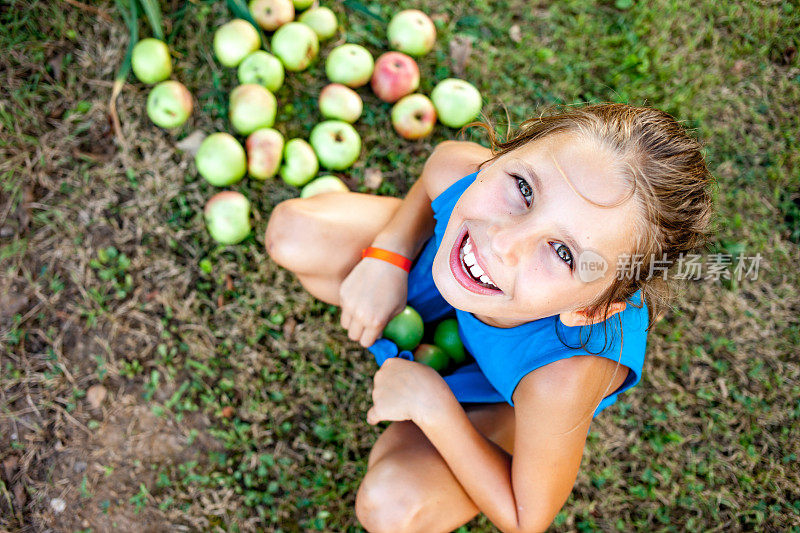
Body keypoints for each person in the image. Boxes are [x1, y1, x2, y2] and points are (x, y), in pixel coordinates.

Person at [264, 103, 714, 532]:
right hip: (459, 280)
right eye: (523, 188)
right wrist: (389, 254)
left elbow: (526, 517)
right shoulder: (465, 179)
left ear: (589, 309)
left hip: (504, 392)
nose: (503, 241)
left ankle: (499, 419)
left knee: (393, 507)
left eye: (562, 253)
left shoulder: (562, 378)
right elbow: (440, 162)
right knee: (294, 234)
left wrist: (433, 407)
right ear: (501, 153)